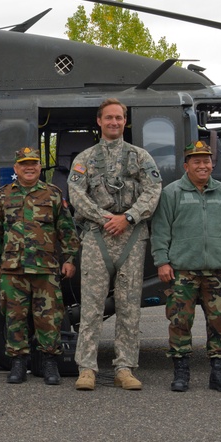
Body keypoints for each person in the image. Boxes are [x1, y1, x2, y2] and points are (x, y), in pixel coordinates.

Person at [69, 98, 162, 391]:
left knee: (129, 306)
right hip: (97, 237)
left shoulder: (141, 157)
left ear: (125, 121)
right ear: (99, 121)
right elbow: (76, 193)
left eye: (119, 118)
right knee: (92, 305)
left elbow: (153, 190)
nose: (114, 122)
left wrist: (129, 217)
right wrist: (105, 217)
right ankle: (86, 368)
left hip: (131, 238)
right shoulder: (84, 158)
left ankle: (125, 367)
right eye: (108, 118)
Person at [151, 141, 221, 393]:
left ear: (212, 164)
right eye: (196, 161)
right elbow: (160, 230)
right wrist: (162, 261)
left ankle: (218, 374)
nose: (202, 165)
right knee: (180, 321)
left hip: (218, 270)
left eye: (206, 161)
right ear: (186, 165)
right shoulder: (172, 193)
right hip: (183, 270)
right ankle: (181, 373)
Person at [0, 146, 80, 385]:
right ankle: (18, 363)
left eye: (34, 164)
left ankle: (50, 363)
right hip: (12, 268)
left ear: (39, 167)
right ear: (16, 168)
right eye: (24, 164)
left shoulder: (52, 194)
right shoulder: (3, 195)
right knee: (14, 316)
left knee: (49, 317)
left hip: (45, 268)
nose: (29, 167)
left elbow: (67, 231)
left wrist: (69, 260)